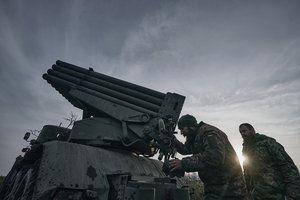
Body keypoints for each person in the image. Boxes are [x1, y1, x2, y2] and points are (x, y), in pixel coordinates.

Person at [168, 114, 247, 200]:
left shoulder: (209, 132)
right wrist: (172, 140)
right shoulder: (195, 136)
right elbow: (185, 149)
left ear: (190, 126)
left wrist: (183, 163)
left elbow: (214, 157)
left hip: (231, 190)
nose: (181, 132)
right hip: (215, 189)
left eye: (182, 129)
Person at [239, 123, 300, 200]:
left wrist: (293, 195)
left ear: (252, 130)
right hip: (255, 196)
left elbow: (289, 168)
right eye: (241, 132)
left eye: (244, 131)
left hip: (275, 194)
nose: (242, 134)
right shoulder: (245, 150)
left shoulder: (268, 143)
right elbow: (247, 174)